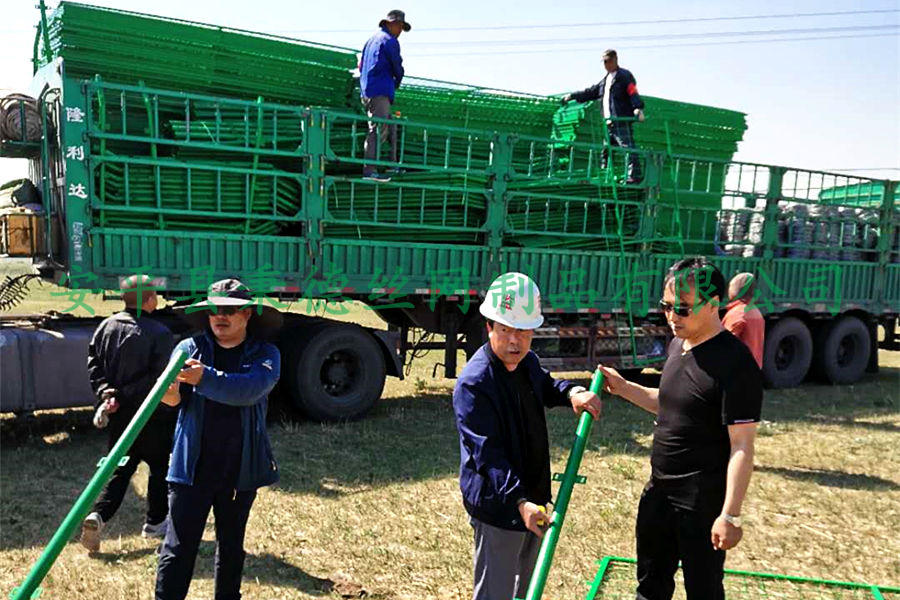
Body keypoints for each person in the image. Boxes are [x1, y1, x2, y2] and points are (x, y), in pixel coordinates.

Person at [598, 257, 762, 600]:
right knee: (650, 584)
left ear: (714, 303)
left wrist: (729, 515)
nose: (672, 317)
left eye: (683, 309)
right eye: (666, 306)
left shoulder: (735, 363)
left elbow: (742, 446)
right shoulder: (678, 345)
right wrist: (625, 387)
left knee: (703, 590)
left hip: (700, 502)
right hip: (659, 491)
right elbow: (671, 402)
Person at [452, 271, 602, 600]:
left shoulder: (527, 362)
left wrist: (573, 393)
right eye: (505, 330)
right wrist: (519, 502)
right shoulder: (474, 385)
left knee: (527, 587)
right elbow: (488, 456)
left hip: (534, 497)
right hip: (500, 506)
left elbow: (548, 386)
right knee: (496, 592)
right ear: (489, 326)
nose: (514, 341)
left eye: (523, 331)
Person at [154, 278, 283, 600]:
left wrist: (205, 377)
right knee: (177, 548)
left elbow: (249, 390)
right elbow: (172, 401)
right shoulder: (188, 349)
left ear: (248, 315)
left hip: (239, 471)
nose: (220, 316)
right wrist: (168, 391)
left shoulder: (265, 354)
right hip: (190, 469)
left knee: (231, 547)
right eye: (214, 310)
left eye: (230, 310)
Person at [82, 274, 176, 553]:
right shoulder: (159, 333)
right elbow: (158, 378)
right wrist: (121, 395)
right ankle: (156, 523)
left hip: (120, 417)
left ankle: (98, 515)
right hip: (152, 416)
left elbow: (94, 365)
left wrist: (107, 394)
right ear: (149, 300)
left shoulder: (105, 326)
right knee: (160, 469)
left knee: (120, 469)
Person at [562, 49, 645, 183]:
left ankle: (634, 176)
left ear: (615, 60)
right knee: (606, 152)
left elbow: (632, 91)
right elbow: (590, 92)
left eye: (608, 61)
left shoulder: (624, 76)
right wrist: (572, 96)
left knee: (628, 148)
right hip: (609, 123)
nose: (606, 64)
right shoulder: (605, 81)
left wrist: (637, 107)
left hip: (620, 120)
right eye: (604, 62)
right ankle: (605, 176)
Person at [359, 9, 411, 180]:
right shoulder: (390, 41)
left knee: (391, 126)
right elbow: (397, 66)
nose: (400, 31)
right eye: (399, 26)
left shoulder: (370, 41)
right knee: (377, 128)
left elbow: (361, 66)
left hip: (369, 90)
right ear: (391, 24)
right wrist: (397, 82)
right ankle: (369, 171)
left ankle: (391, 165)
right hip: (379, 91)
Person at [722, 272, 765, 369]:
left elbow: (725, 346)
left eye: (730, 286)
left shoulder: (737, 314)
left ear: (737, 290)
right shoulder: (755, 311)